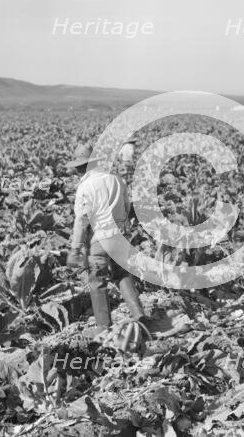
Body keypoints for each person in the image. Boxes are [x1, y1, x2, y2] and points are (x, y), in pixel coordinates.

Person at [65, 143, 148, 340]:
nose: (76, 170)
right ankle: (139, 314)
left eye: (78, 166)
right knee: (122, 275)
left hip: (100, 240)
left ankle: (103, 326)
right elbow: (128, 206)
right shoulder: (116, 179)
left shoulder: (86, 186)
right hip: (121, 236)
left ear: (81, 167)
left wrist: (76, 248)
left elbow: (82, 220)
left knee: (97, 281)